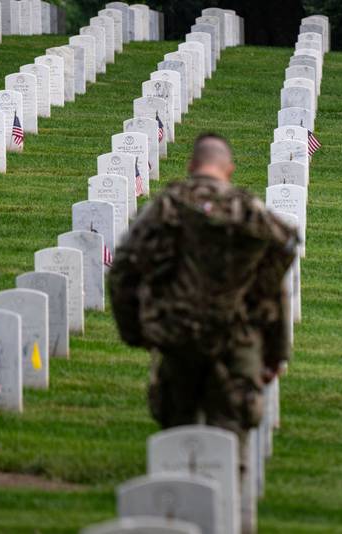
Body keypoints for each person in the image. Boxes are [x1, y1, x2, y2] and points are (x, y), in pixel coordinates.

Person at [109, 132, 298, 469]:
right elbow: (274, 290)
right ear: (229, 170)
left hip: (178, 337)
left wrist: (134, 332)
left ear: (192, 165)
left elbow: (123, 270)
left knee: (177, 440)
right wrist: (275, 354)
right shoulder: (250, 215)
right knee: (229, 445)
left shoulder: (166, 208)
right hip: (237, 344)